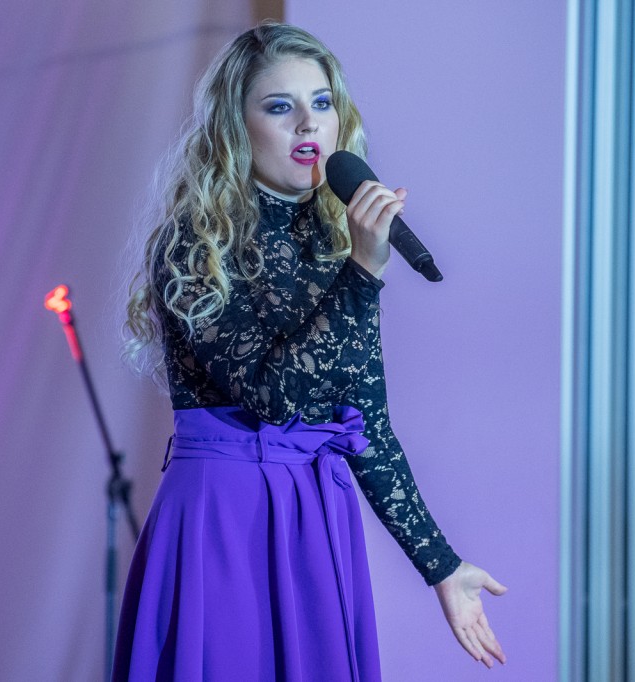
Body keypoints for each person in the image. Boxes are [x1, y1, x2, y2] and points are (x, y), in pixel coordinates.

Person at [114, 21, 506, 682]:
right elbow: (276, 398)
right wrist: (363, 271)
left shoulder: (335, 243)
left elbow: (366, 426)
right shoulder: (194, 242)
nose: (307, 123)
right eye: (280, 106)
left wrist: (442, 566)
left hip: (315, 518)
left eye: (321, 103)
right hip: (225, 518)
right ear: (234, 127)